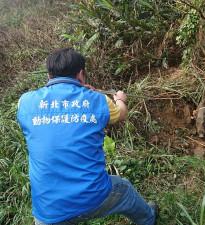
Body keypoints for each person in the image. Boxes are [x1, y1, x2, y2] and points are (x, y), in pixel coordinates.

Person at [17, 48, 158, 225]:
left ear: (48, 76)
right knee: (124, 189)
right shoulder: (99, 100)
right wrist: (120, 99)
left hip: (47, 211)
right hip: (92, 197)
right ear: (81, 75)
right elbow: (121, 115)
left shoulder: (24, 102)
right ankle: (148, 219)